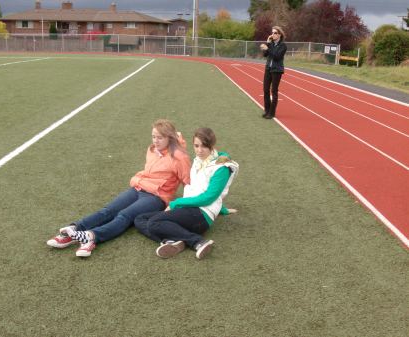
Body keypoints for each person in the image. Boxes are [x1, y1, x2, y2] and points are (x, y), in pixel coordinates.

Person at [46, 119, 191, 257]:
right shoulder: (152, 149)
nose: (155, 141)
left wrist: (183, 206)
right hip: (138, 188)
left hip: (156, 197)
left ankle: (91, 237)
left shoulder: (180, 157)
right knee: (108, 210)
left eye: (159, 137)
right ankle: (74, 229)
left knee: (124, 215)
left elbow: (188, 183)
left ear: (169, 138)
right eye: (153, 137)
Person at [134, 127, 239, 260]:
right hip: (188, 210)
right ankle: (172, 241)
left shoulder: (222, 167)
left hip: (201, 215)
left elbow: (209, 197)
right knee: (140, 219)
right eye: (196, 146)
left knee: (154, 222)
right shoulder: (198, 160)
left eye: (204, 146)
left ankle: (198, 241)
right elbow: (197, 187)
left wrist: (176, 203)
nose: (199, 150)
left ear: (212, 145)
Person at [260, 26, 287, 119]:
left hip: (277, 70)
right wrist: (267, 43)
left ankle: (272, 113)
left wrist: (267, 48)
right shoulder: (270, 44)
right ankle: (267, 110)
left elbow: (277, 57)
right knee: (265, 90)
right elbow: (265, 55)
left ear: (279, 34)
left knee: (274, 91)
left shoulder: (283, 45)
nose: (273, 34)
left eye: (275, 33)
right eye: (272, 33)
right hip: (268, 69)